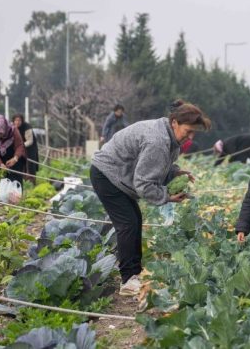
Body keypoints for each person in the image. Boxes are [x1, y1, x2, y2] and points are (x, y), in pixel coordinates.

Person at [90, 100, 211, 296]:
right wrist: (167, 197)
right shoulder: (158, 141)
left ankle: (134, 273)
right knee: (128, 223)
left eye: (193, 133)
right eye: (188, 131)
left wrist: (175, 173)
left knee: (135, 220)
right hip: (107, 175)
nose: (190, 136)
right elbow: (144, 184)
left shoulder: (170, 139)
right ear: (174, 123)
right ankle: (128, 280)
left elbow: (158, 166)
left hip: (119, 176)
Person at [0, 114, 26, 185]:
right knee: (2, 180)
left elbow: (20, 146)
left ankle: (16, 195)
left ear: (5, 127)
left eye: (0, 133)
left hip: (14, 157)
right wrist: (0, 164)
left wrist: (15, 159)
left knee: (15, 179)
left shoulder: (13, 130)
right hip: (0, 158)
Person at [12, 114, 39, 183]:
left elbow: (30, 141)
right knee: (20, 162)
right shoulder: (12, 127)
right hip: (20, 147)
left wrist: (20, 146)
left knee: (30, 164)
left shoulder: (27, 127)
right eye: (16, 120)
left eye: (19, 120)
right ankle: (22, 180)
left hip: (30, 147)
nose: (17, 122)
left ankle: (32, 182)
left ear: (22, 121)